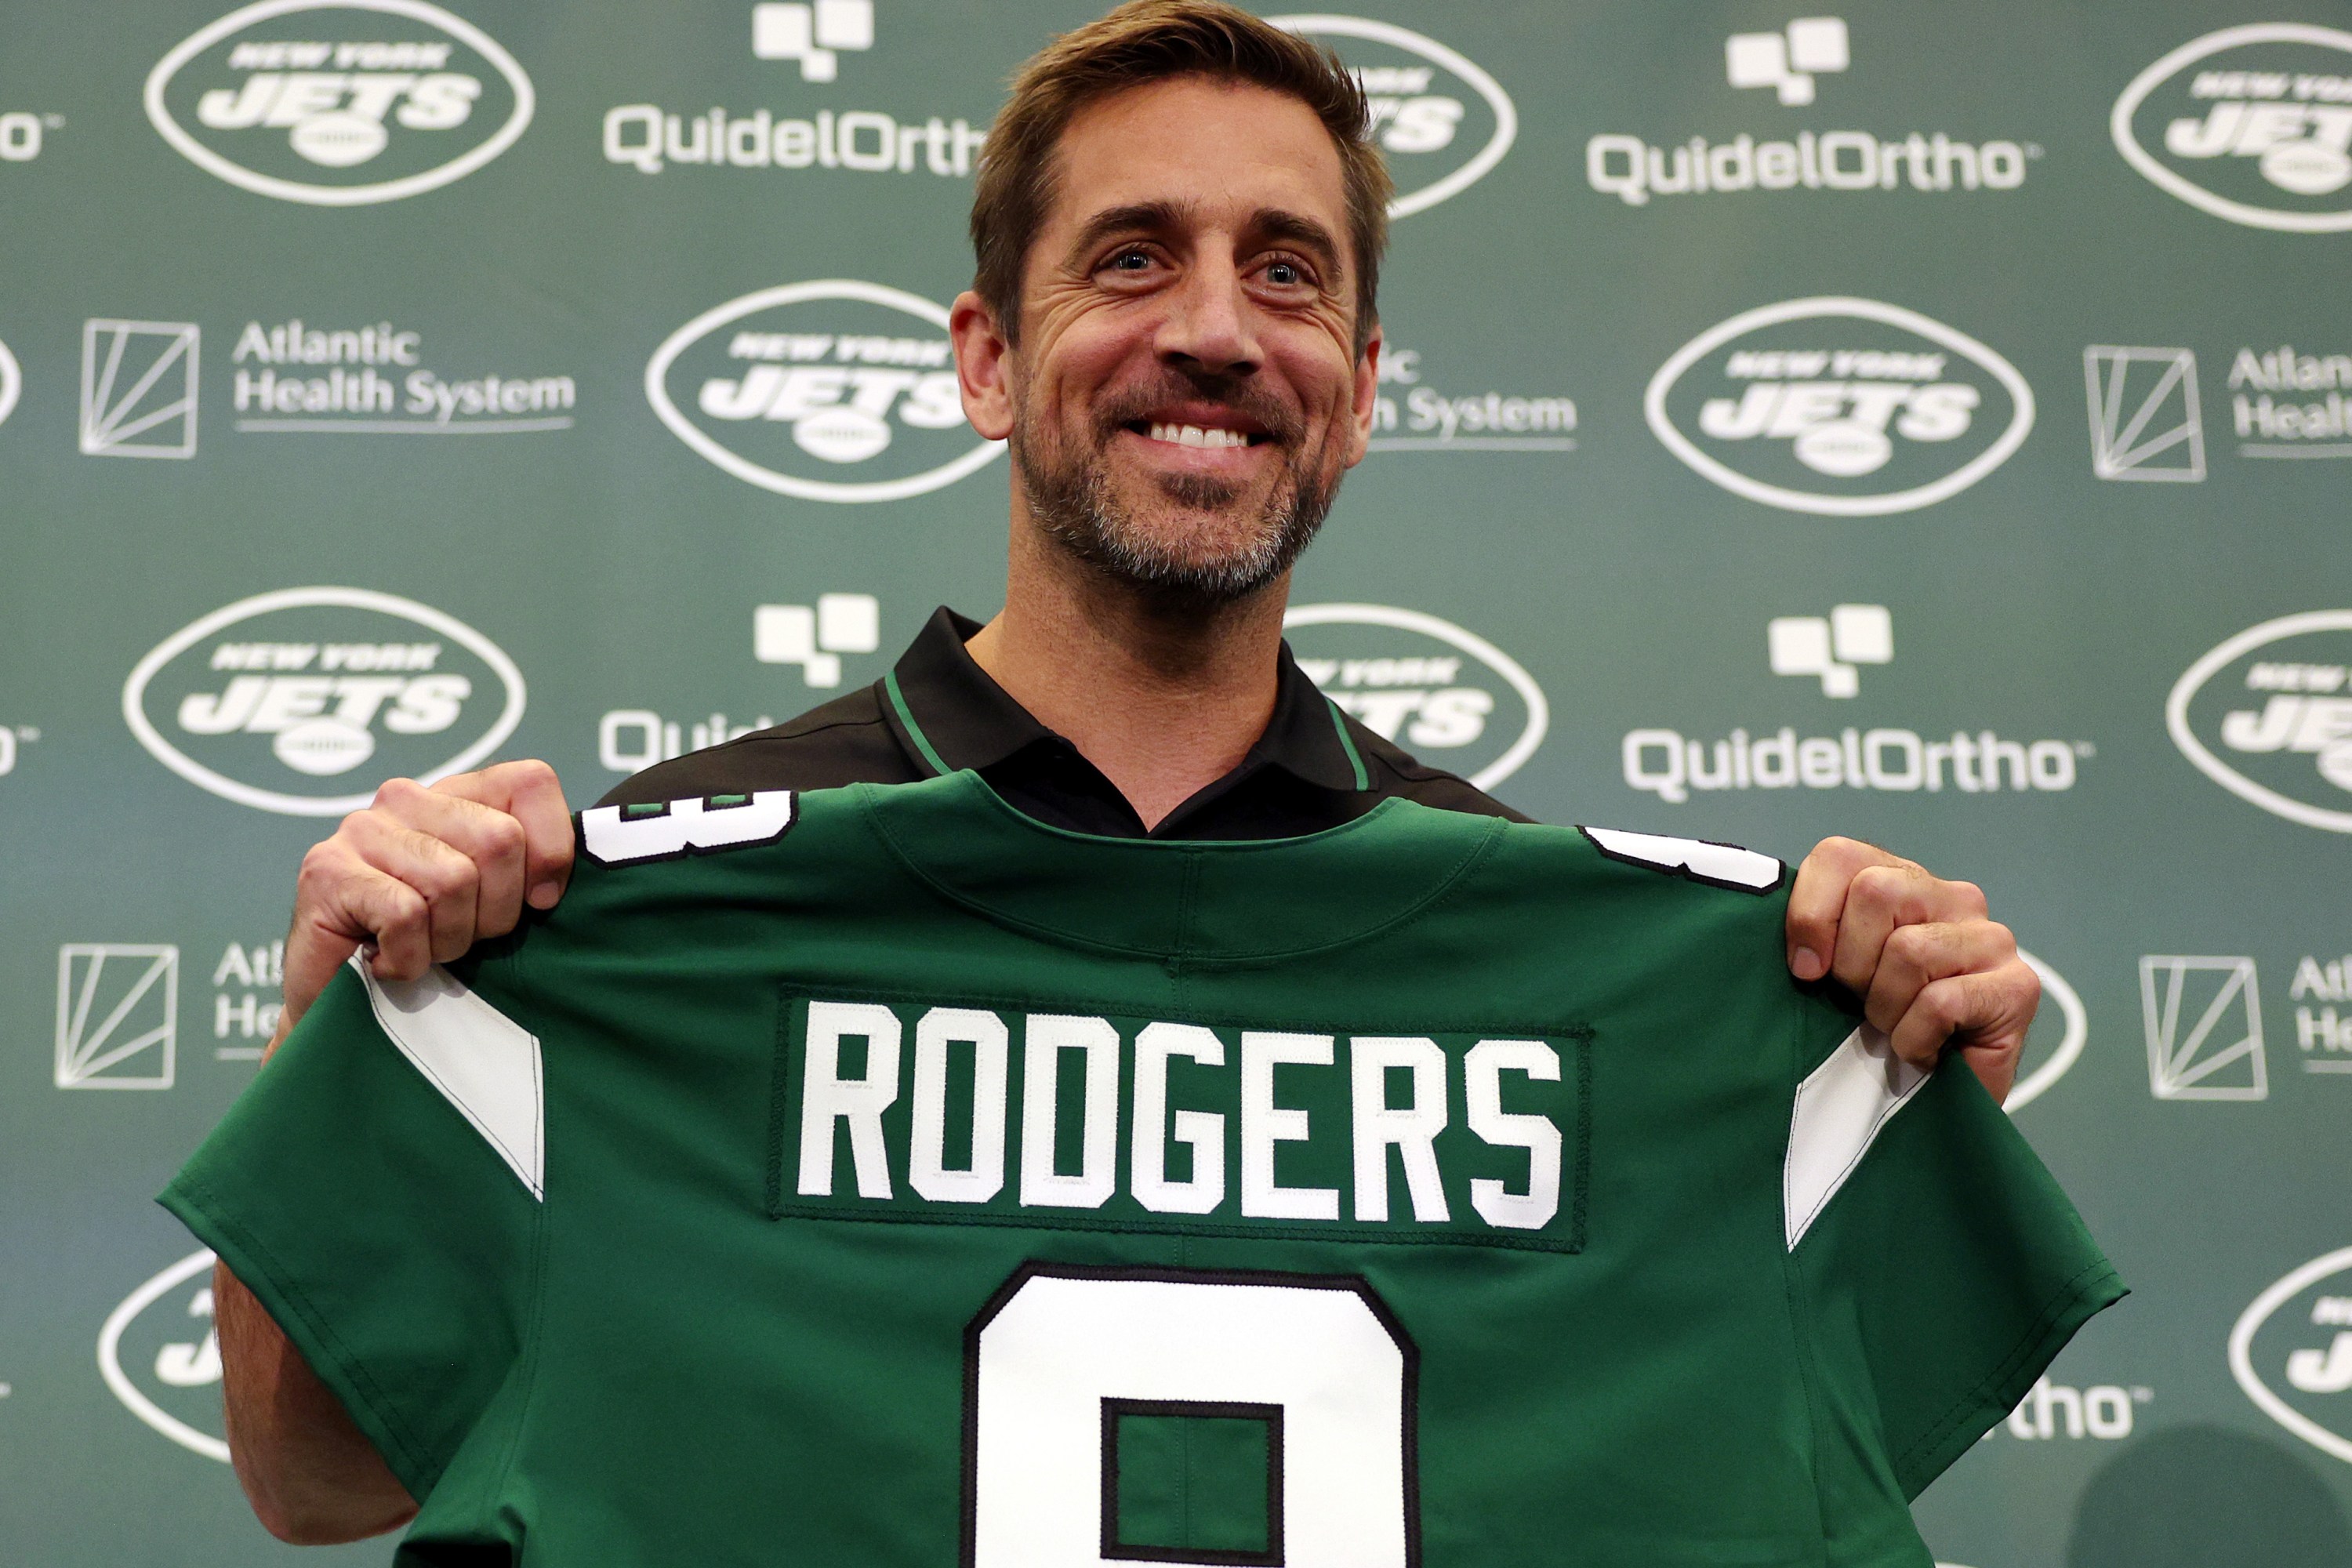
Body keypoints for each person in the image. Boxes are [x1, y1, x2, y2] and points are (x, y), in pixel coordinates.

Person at [211, 0, 2042, 1542]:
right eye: (1133, 256)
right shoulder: (651, 919)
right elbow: (312, 1477)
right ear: (988, 358)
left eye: (1289, 274)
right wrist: (349, 1021)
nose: (1218, 331)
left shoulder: (1606, 981)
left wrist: (1868, 1064)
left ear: (1362, 381)